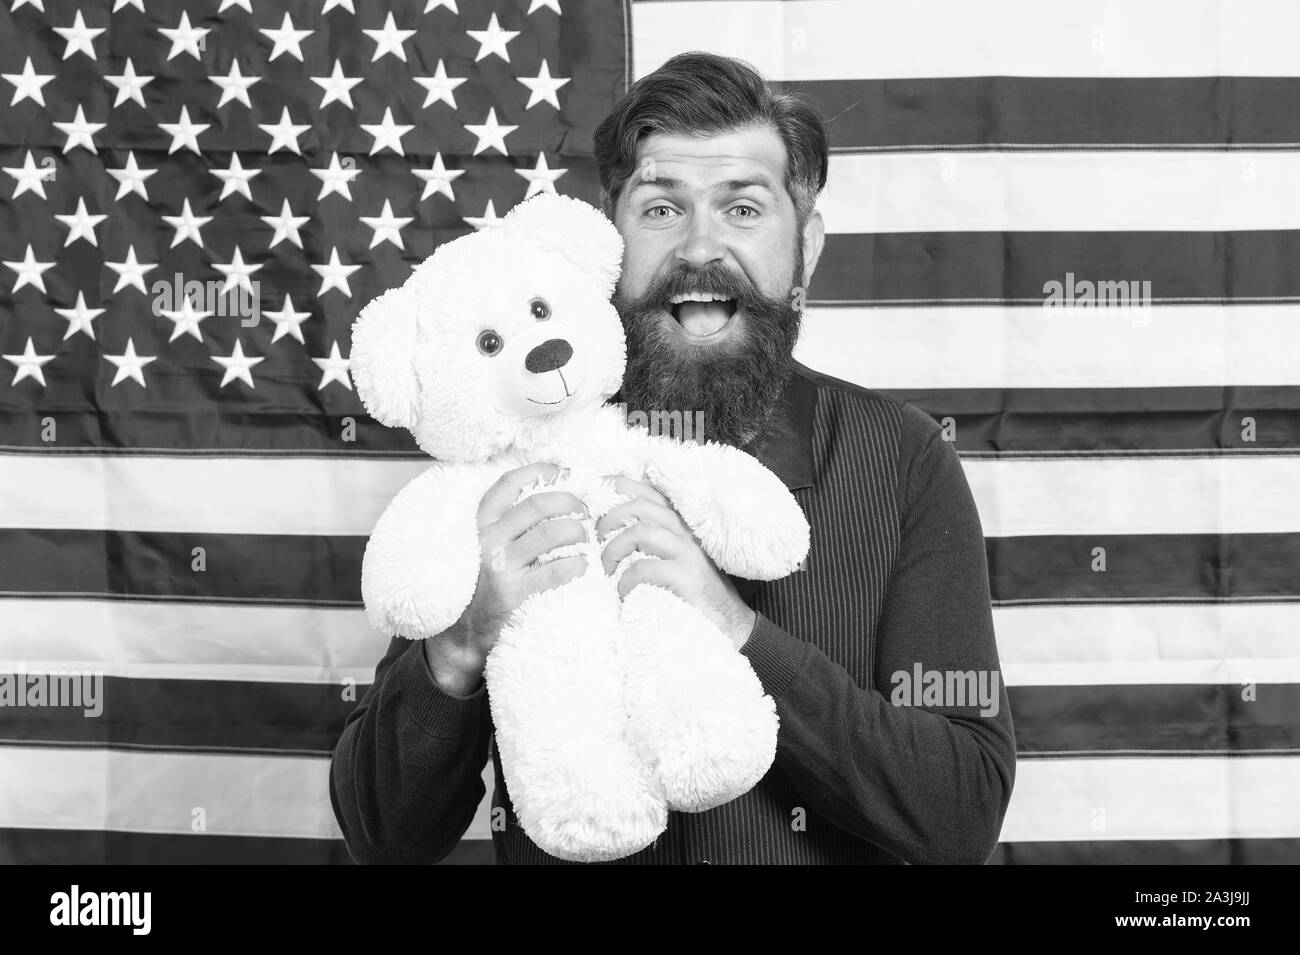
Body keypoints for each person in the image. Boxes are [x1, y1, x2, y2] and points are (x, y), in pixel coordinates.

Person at [330, 51, 1016, 865]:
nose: (700, 247)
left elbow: (960, 810)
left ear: (807, 253)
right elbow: (382, 833)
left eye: (744, 209)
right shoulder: (510, 452)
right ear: (610, 242)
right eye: (661, 208)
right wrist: (460, 643)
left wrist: (734, 625)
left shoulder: (902, 460)